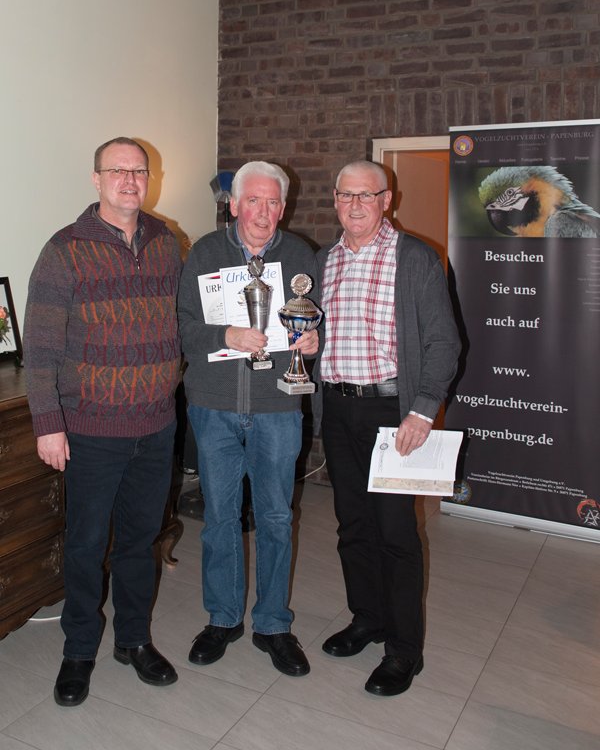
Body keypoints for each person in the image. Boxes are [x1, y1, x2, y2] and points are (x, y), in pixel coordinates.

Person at [23, 137, 181, 707]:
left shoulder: (166, 242)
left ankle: (134, 640)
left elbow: (185, 319)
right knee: (87, 544)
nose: (130, 180)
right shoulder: (64, 250)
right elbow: (41, 348)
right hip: (91, 429)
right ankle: (79, 651)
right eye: (118, 170)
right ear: (96, 180)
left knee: (140, 542)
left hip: (157, 425)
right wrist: (48, 422)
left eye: (139, 170)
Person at [315, 160, 461, 696]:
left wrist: (422, 410)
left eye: (366, 195)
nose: (355, 205)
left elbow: (444, 342)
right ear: (335, 200)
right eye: (345, 195)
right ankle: (367, 618)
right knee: (352, 525)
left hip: (393, 414)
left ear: (386, 201)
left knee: (396, 533)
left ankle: (404, 650)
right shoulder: (323, 260)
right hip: (339, 409)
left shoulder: (414, 258)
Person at [178, 160, 318, 677]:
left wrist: (313, 341)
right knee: (220, 517)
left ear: (284, 206)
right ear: (234, 205)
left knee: (276, 518)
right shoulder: (204, 253)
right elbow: (182, 327)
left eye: (273, 202)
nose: (263, 211)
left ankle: (273, 624)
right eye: (253, 201)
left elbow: (319, 319)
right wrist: (226, 336)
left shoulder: (301, 255)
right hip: (214, 407)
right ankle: (223, 617)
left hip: (278, 407)